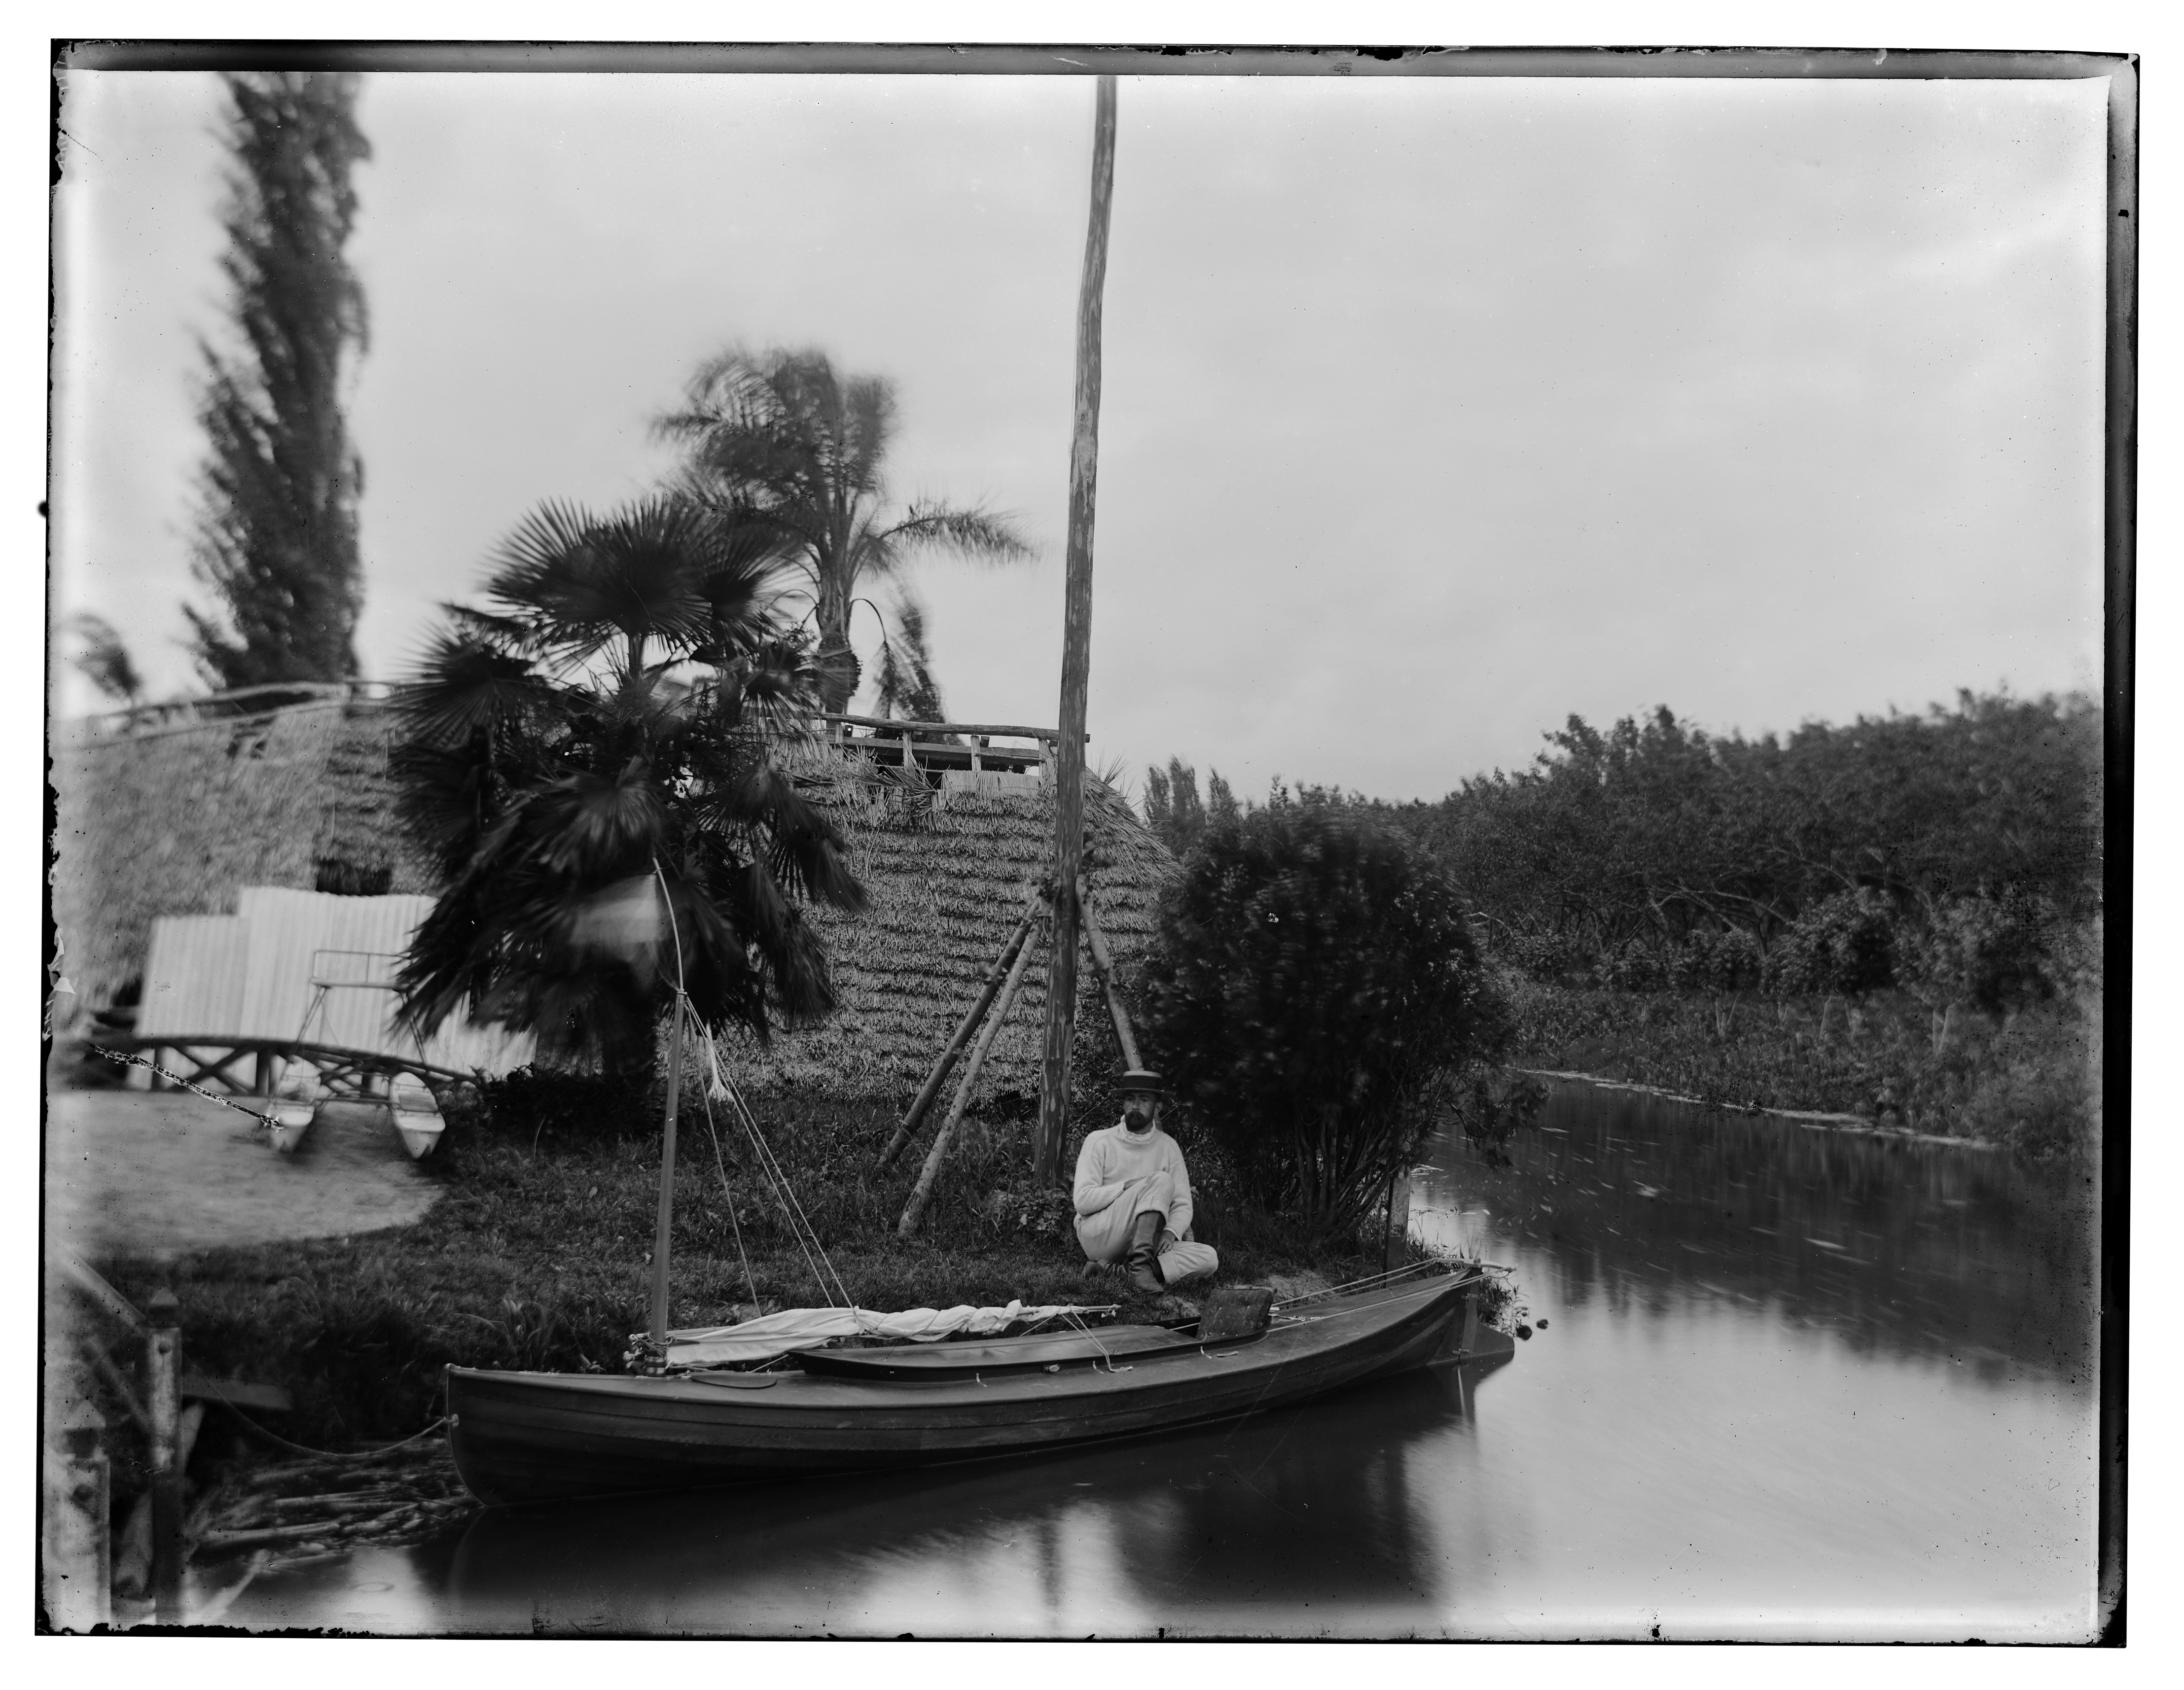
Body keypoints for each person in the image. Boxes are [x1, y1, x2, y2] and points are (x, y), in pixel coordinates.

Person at [1072, 1069, 1218, 1293]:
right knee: (1160, 1181)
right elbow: (1082, 1201)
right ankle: (1140, 1269)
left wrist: (1170, 1233)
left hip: (1148, 1239)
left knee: (1209, 1258)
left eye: (1144, 1100)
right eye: (1130, 1099)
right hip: (1100, 1235)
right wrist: (1126, 1187)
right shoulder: (1099, 1141)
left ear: (1157, 1107)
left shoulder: (1168, 1147)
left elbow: (1182, 1204)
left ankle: (1118, 1271)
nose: (1135, 1106)